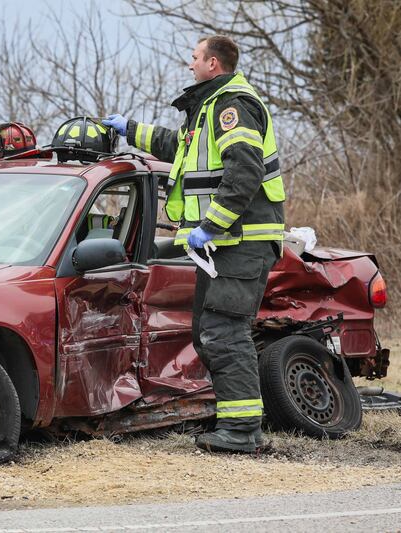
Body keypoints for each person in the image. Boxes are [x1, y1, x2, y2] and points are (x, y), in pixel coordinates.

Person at [104, 36, 286, 453]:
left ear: (214, 63)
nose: (190, 65)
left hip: (240, 241)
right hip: (224, 245)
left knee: (223, 331)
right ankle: (235, 423)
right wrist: (129, 130)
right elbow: (178, 149)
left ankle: (241, 433)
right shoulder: (207, 107)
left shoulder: (231, 106)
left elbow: (245, 174)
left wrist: (210, 226)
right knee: (209, 333)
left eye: (195, 58)